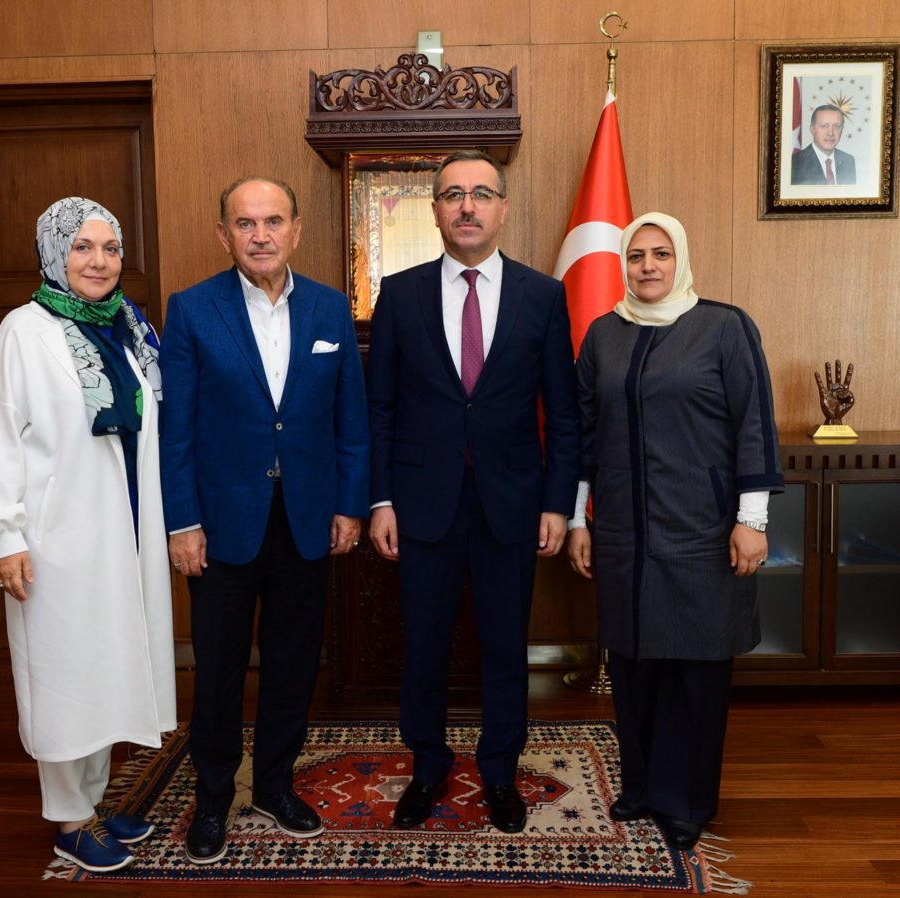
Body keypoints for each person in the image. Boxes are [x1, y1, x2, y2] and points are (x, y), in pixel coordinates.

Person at [365, 150, 579, 834]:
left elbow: (564, 412)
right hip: (420, 503)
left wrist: (559, 503)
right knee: (423, 644)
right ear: (434, 210)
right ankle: (428, 766)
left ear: (502, 209)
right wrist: (380, 500)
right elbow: (380, 409)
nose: (467, 206)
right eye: (453, 194)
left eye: (481, 194)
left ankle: (500, 773)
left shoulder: (543, 296)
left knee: (505, 645)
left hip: (512, 503)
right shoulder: (399, 294)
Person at [0, 197, 176, 873]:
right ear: (54, 253)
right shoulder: (22, 332)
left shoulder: (130, 327)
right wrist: (4, 537)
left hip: (126, 525)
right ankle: (68, 819)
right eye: (83, 247)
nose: (99, 261)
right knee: (63, 674)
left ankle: (93, 802)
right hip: (55, 537)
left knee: (107, 664)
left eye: (110, 248)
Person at [159, 177, 369, 864]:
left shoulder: (330, 308)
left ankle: (275, 786)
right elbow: (176, 429)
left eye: (273, 221)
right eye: (245, 224)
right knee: (219, 670)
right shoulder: (192, 309)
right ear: (224, 235)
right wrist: (182, 522)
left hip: (306, 520)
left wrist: (349, 504)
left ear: (295, 230)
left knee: (292, 664)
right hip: (221, 527)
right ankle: (213, 800)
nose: (260, 235)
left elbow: (351, 420)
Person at [567, 212, 784, 850]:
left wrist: (752, 519)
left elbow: (754, 423)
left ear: (680, 258)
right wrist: (578, 518)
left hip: (701, 529)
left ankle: (686, 801)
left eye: (661, 254)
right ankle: (641, 787)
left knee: (694, 666)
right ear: (623, 265)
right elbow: (583, 435)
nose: (648, 266)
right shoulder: (604, 334)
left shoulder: (724, 327)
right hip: (622, 533)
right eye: (636, 255)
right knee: (633, 660)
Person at [791, 104, 856, 185]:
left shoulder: (848, 160)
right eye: (824, 126)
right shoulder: (795, 163)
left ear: (842, 130)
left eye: (837, 126)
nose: (830, 133)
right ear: (812, 129)